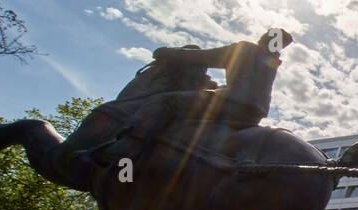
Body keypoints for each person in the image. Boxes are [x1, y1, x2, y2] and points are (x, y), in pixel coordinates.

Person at [90, 29, 293, 164]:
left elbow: (202, 57)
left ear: (264, 38)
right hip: (254, 113)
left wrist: (166, 52)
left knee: (163, 101)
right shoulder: (272, 61)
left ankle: (126, 147)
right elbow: (249, 84)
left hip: (233, 103)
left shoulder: (246, 49)